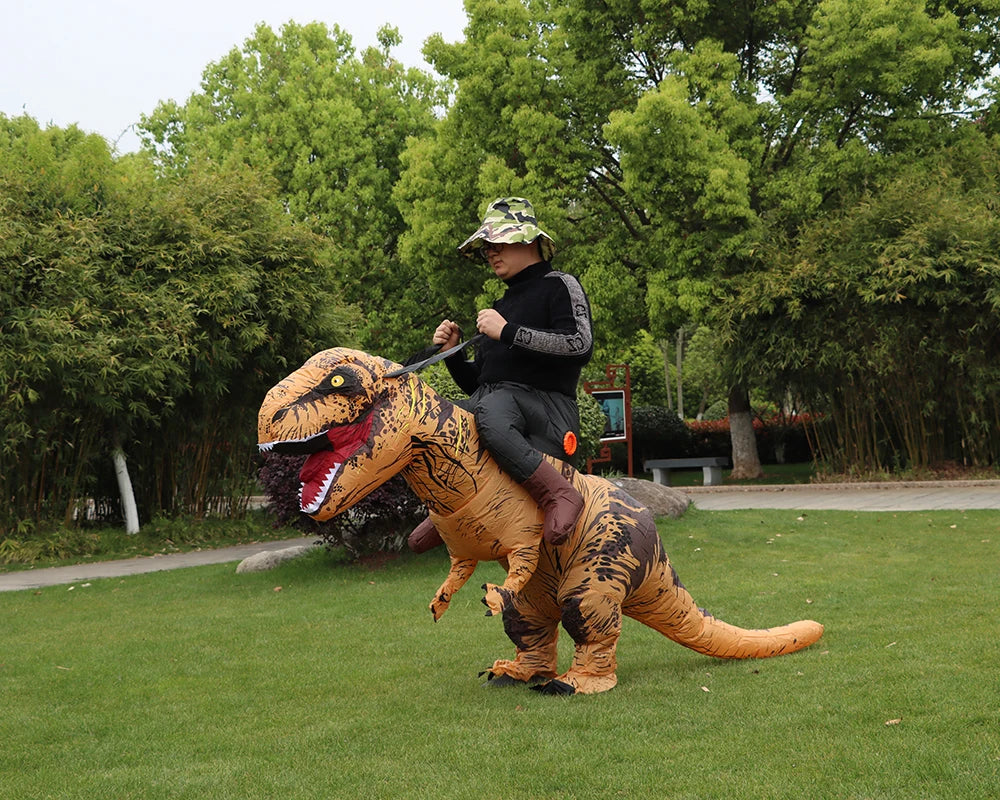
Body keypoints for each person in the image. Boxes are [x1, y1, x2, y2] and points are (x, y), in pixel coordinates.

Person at [408, 197, 593, 553]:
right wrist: (452, 352)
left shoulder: (560, 285)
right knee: (431, 419)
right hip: (500, 408)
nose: (491, 253)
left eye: (499, 244)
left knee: (490, 410)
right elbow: (480, 384)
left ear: (528, 240)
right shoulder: (500, 306)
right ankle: (449, 511)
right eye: (486, 249)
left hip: (548, 415)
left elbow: (579, 345)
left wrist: (508, 332)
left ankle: (560, 493)